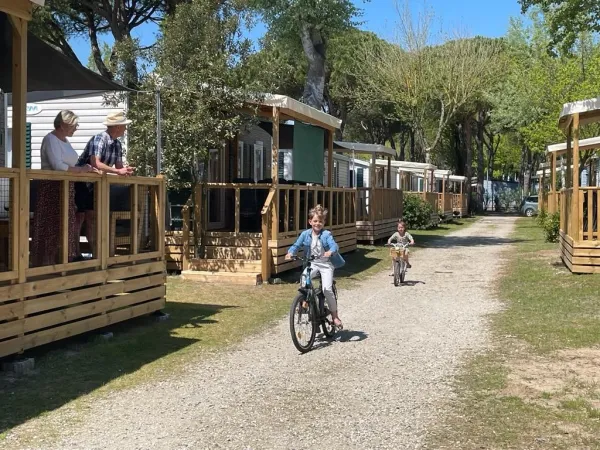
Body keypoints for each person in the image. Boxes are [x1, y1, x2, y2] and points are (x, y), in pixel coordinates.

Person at [31, 110, 98, 266]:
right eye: (73, 125)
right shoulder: (50, 139)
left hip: (67, 187)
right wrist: (81, 170)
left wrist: (85, 168)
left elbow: (71, 164)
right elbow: (58, 166)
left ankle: (63, 261)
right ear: (62, 125)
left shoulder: (65, 141)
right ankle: (45, 264)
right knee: (50, 227)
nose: (76, 129)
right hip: (52, 188)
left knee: (65, 225)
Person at [74, 110, 135, 255]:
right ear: (117, 127)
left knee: (93, 218)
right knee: (81, 218)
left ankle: (97, 253)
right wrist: (118, 172)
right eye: (124, 126)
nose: (125, 129)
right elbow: (95, 163)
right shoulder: (99, 138)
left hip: (97, 185)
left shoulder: (117, 144)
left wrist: (126, 170)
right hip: (82, 182)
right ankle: (75, 253)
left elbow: (119, 166)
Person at [285, 205, 345, 328]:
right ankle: (305, 303)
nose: (318, 224)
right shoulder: (305, 234)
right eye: (315, 221)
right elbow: (296, 245)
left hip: (326, 264)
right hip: (312, 263)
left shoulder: (326, 234)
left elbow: (334, 245)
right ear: (310, 222)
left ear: (324, 222)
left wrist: (330, 252)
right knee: (303, 279)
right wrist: (290, 253)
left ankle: (335, 316)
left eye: (321, 221)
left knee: (327, 289)